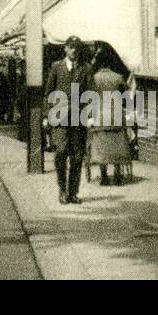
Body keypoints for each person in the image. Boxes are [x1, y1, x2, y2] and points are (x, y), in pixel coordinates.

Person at [45, 36, 93, 204]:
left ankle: (72, 193)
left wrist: (90, 115)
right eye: (71, 47)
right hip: (60, 118)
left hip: (78, 120)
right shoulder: (56, 67)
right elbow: (49, 92)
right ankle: (62, 189)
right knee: (61, 152)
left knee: (77, 156)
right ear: (65, 48)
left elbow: (90, 93)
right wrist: (46, 115)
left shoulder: (86, 68)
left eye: (76, 47)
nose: (74, 50)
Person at [89, 47, 131, 186]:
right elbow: (126, 96)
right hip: (116, 116)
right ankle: (118, 175)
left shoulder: (94, 79)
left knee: (102, 146)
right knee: (117, 145)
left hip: (100, 117)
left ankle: (104, 176)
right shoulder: (118, 78)